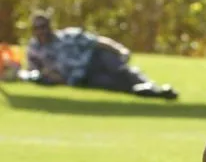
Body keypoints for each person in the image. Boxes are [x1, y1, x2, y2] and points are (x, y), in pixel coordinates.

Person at [21, 9, 178, 100]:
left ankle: (152, 86)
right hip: (82, 77)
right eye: (37, 27)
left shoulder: (68, 35)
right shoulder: (34, 50)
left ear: (50, 26)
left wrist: (119, 49)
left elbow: (97, 42)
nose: (41, 31)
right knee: (119, 86)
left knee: (122, 70)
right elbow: (35, 73)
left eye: (44, 26)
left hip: (95, 59)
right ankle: (153, 93)